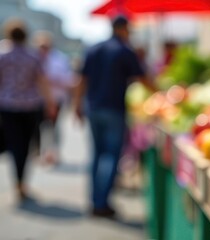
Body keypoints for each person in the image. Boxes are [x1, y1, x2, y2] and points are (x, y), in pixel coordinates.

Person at [74, 16, 157, 218]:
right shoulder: (124, 50)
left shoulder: (94, 49)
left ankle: (95, 201)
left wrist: (77, 105)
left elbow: (81, 80)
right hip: (114, 109)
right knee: (111, 156)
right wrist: (160, 92)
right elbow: (143, 78)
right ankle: (102, 203)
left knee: (97, 155)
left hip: (93, 108)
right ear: (123, 29)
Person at [0, 19, 57, 201]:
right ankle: (21, 182)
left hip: (7, 106)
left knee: (14, 144)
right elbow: (43, 82)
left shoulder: (3, 55)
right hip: (30, 107)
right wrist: (50, 104)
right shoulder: (33, 57)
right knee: (24, 146)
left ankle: (18, 181)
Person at [34, 31, 75, 165]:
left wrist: (51, 81)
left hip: (56, 99)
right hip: (37, 100)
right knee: (38, 128)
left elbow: (68, 79)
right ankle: (39, 153)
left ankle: (54, 153)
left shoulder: (60, 59)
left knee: (54, 127)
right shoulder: (33, 58)